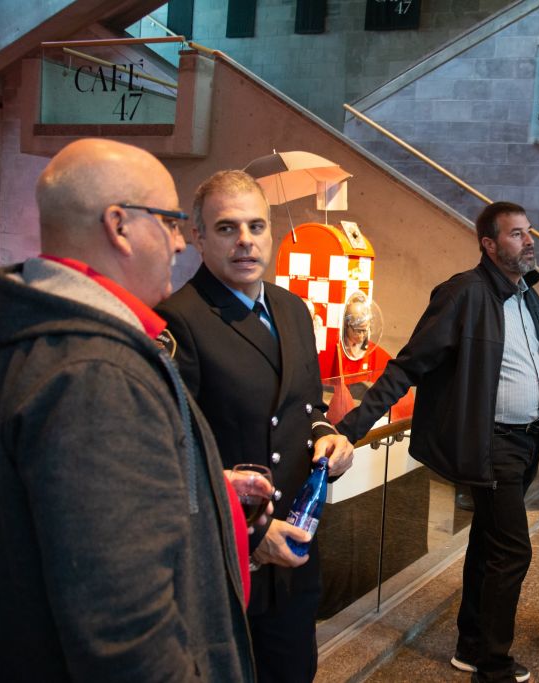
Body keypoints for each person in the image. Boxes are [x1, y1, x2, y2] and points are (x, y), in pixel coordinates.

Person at [0, 139, 255, 681]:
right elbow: (124, 634)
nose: (180, 242)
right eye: (170, 222)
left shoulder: (45, 333)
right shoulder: (97, 376)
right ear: (119, 226)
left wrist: (209, 490)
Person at [335, 201, 539, 683]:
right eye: (516, 234)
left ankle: (471, 647)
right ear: (489, 244)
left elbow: (535, 363)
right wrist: (350, 428)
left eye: (529, 232)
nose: (529, 241)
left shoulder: (530, 297)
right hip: (491, 445)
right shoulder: (463, 293)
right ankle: (492, 664)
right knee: (513, 551)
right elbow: (409, 364)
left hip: (526, 441)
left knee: (489, 544)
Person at [156, 170, 354, 683]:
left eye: (256, 226)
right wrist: (251, 533)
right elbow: (170, 452)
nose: (245, 240)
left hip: (295, 548)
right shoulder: (179, 321)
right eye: (227, 228)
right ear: (198, 236)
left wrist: (326, 436)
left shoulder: (292, 309)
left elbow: (307, 406)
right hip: (229, 558)